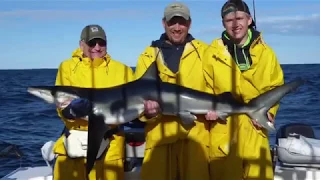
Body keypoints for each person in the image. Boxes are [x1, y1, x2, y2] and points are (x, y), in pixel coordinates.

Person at [202, 1, 284, 180]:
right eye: (229, 20)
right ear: (223, 24)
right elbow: (205, 88)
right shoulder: (211, 54)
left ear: (249, 20)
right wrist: (208, 110)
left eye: (239, 18)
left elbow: (275, 87)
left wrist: (270, 111)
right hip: (224, 133)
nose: (235, 24)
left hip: (256, 131)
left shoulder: (266, 53)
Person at [134, 2, 216, 180]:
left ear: (189, 24)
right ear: (164, 23)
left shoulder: (206, 52)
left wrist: (215, 111)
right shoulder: (148, 55)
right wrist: (147, 114)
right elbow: (137, 101)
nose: (177, 28)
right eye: (172, 22)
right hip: (159, 140)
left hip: (196, 138)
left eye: (182, 22)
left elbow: (217, 88)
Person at [52, 24, 134, 180]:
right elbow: (61, 106)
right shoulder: (67, 67)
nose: (97, 47)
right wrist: (69, 111)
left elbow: (137, 104)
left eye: (101, 43)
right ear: (81, 44)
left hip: (111, 143)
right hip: (74, 142)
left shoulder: (123, 70)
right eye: (92, 43)